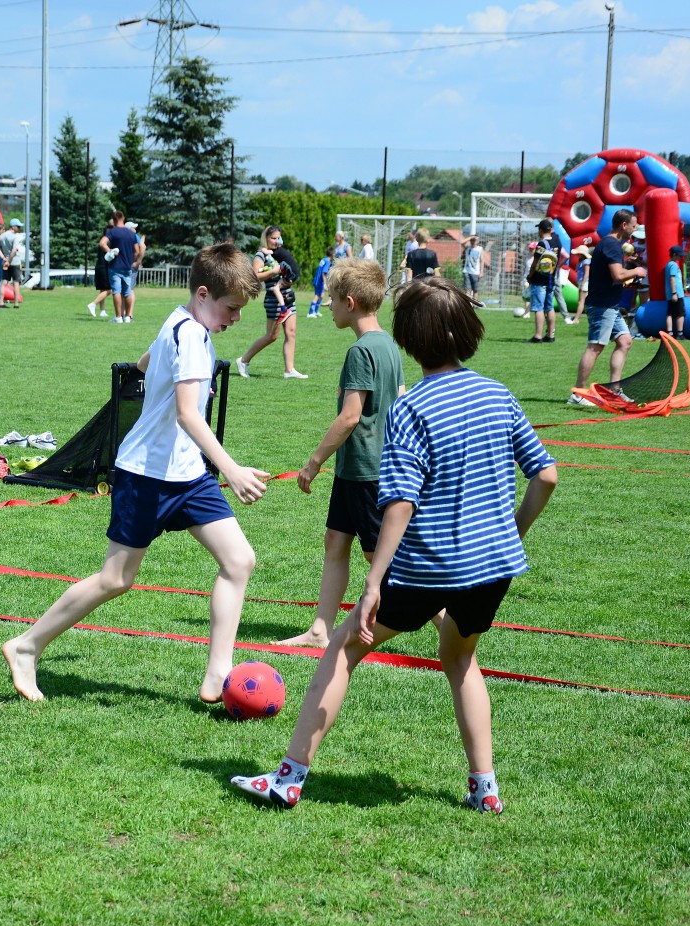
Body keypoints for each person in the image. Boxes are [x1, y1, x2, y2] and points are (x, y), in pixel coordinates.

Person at [233, 276, 558, 813]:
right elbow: (545, 476)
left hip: (427, 568)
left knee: (344, 647)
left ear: (408, 338)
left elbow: (401, 503)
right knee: (460, 657)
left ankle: (288, 778)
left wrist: (374, 580)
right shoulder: (498, 394)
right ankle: (485, 791)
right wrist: (512, 534)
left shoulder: (411, 409)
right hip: (493, 567)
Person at [3, 242, 270, 704]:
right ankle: (26, 646)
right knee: (116, 579)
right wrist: (232, 469)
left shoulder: (181, 322)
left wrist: (160, 375)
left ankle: (218, 674)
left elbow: (145, 363)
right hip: (146, 476)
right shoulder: (190, 335)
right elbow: (188, 414)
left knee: (239, 561)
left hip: (187, 476)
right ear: (203, 294)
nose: (237, 318)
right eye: (231, 307)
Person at [277, 259, 405, 649]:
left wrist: (314, 462)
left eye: (332, 298)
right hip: (356, 469)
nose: (328, 305)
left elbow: (350, 417)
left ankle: (445, 619)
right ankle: (320, 629)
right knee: (335, 541)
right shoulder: (388, 344)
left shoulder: (361, 351)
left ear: (350, 302)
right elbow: (400, 399)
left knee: (380, 557)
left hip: (367, 470)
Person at [569, 209, 641, 406]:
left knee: (625, 341)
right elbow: (617, 275)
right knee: (595, 347)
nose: (635, 230)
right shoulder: (611, 244)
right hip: (602, 305)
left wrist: (627, 276)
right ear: (624, 225)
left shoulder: (612, 244)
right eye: (633, 226)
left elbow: (614, 276)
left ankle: (614, 391)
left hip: (610, 305)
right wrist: (636, 270)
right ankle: (578, 394)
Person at [236, 225, 306, 380]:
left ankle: (289, 370)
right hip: (274, 300)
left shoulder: (277, 253)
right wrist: (273, 272)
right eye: (273, 238)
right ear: (266, 238)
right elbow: (254, 275)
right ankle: (243, 360)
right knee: (271, 336)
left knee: (291, 332)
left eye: (278, 238)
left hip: (288, 297)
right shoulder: (260, 255)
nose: (276, 241)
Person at [99, 210, 141, 323]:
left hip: (115, 266)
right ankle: (127, 317)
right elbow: (137, 250)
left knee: (116, 291)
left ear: (114, 220)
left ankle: (118, 317)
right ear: (123, 218)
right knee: (127, 292)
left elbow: (102, 243)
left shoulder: (113, 232)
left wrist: (109, 251)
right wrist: (131, 260)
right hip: (128, 267)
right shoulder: (131, 233)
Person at [525, 218, 561, 344]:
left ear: (540, 230)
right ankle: (550, 335)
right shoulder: (557, 242)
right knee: (549, 307)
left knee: (538, 308)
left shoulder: (541, 244)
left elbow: (535, 264)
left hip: (539, 280)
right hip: (551, 279)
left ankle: (538, 336)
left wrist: (530, 276)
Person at [0, 218, 24, 309]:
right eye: (18, 226)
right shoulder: (15, 237)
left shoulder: (2, 236)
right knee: (16, 282)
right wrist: (9, 261)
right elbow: (14, 250)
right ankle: (16, 304)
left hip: (5, 262)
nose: (19, 228)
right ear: (13, 226)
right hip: (14, 262)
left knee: (4, 282)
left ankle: (1, 303)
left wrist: (4, 258)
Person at [87, 220, 112, 317]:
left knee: (103, 289)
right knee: (110, 290)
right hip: (104, 267)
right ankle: (93, 304)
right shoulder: (108, 243)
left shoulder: (102, 240)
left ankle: (102, 311)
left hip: (100, 266)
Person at [664, 244, 687, 339]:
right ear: (674, 255)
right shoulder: (673, 265)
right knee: (680, 313)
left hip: (670, 293)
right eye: (679, 255)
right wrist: (674, 293)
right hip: (676, 293)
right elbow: (672, 278)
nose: (680, 257)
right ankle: (680, 334)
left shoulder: (668, 264)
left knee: (670, 313)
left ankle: (670, 333)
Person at [308, 245, 334, 317]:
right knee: (317, 296)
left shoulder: (324, 259)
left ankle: (316, 311)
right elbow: (323, 272)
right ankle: (310, 313)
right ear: (333, 254)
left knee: (321, 296)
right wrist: (325, 284)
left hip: (317, 280)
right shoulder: (327, 261)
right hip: (320, 281)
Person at [570, 243, 592, 324]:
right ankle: (577, 316)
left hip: (585, 282)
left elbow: (587, 273)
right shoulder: (581, 261)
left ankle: (576, 319)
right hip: (581, 282)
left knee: (582, 301)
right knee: (580, 301)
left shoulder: (586, 262)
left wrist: (583, 283)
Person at [461, 235, 482, 300]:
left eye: (474, 240)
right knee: (467, 289)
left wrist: (481, 272)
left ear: (478, 241)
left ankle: (475, 303)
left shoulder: (480, 249)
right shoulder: (468, 247)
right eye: (472, 240)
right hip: (467, 271)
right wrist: (470, 237)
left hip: (475, 272)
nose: (473, 241)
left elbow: (482, 260)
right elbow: (462, 242)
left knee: (475, 290)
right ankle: (468, 304)